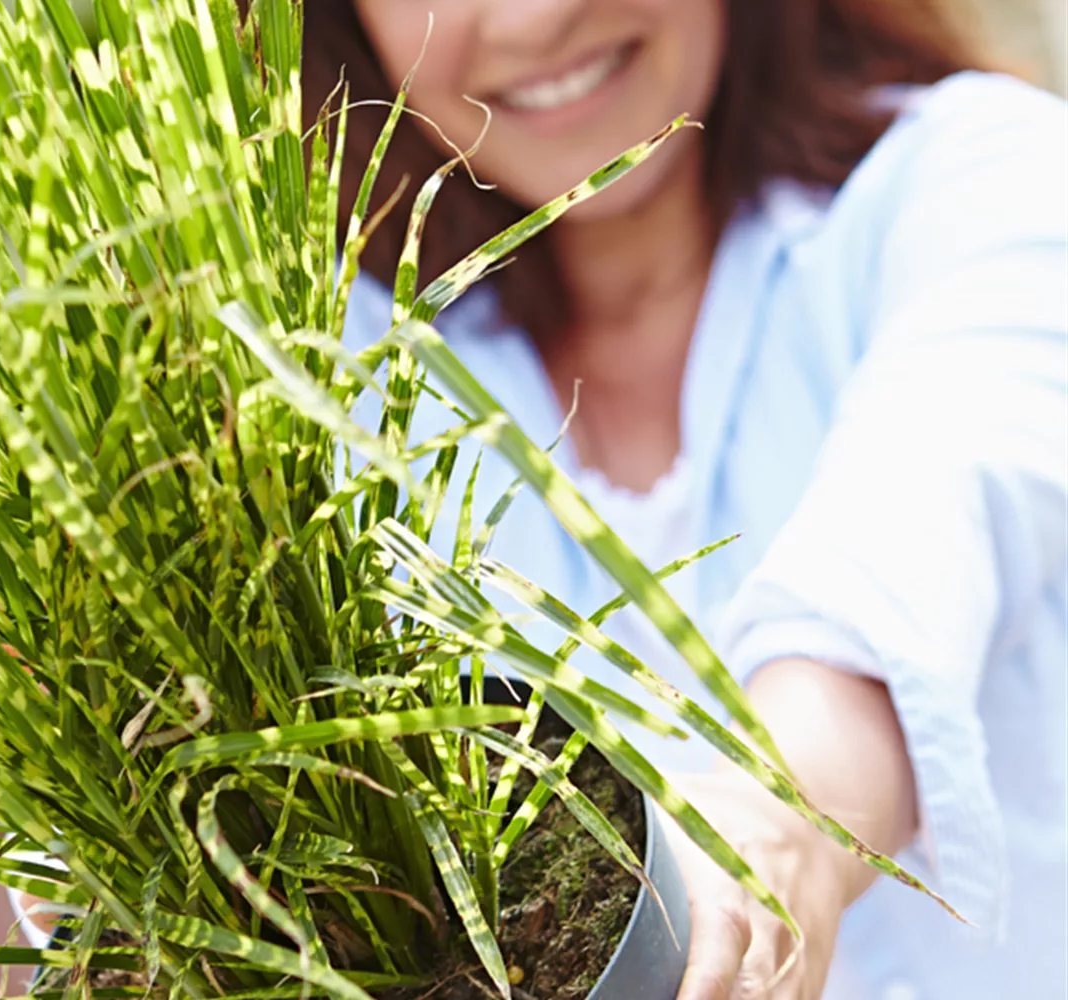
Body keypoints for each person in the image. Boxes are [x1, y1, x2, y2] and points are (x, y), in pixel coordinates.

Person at [301, 1, 1067, 998]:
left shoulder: (986, 181)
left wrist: (768, 843)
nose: (536, 17)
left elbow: (922, 531)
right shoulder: (310, 363)